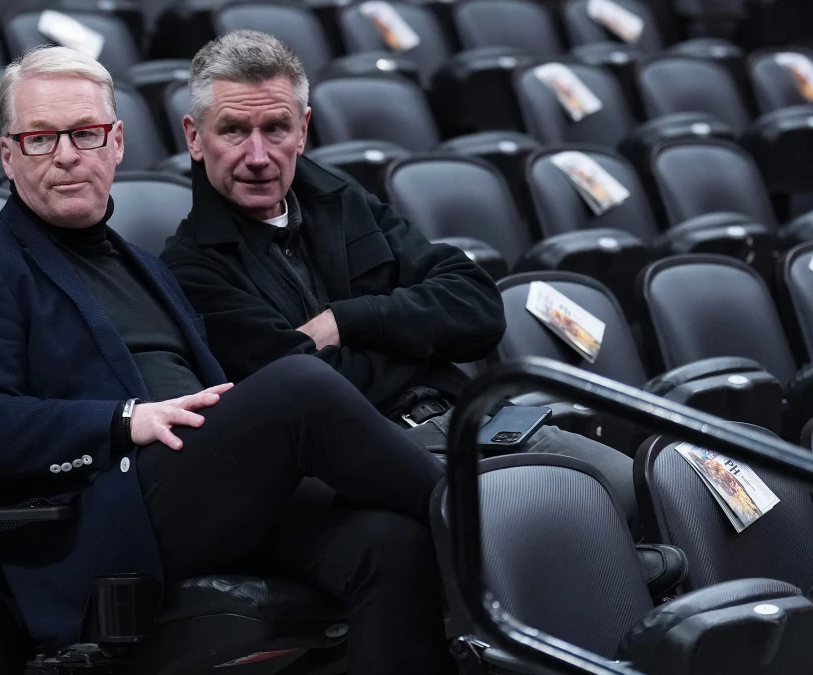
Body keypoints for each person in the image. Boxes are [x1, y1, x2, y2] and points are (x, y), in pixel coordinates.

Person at [0, 46, 456, 675]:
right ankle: (481, 526)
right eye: (39, 138)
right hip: (105, 517)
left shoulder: (146, 265)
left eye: (85, 133)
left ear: (116, 143)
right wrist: (123, 419)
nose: (65, 155)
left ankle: (455, 524)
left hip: (204, 493)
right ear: (8, 155)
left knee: (395, 545)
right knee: (300, 384)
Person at [160, 30, 636, 517]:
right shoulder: (189, 267)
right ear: (196, 137)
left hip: (477, 420)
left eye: (276, 129)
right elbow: (316, 394)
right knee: (549, 520)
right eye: (234, 130)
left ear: (303, 130)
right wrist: (420, 341)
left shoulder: (344, 201)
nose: (258, 156)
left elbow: (477, 307)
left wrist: (347, 321)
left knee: (637, 487)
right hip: (378, 460)